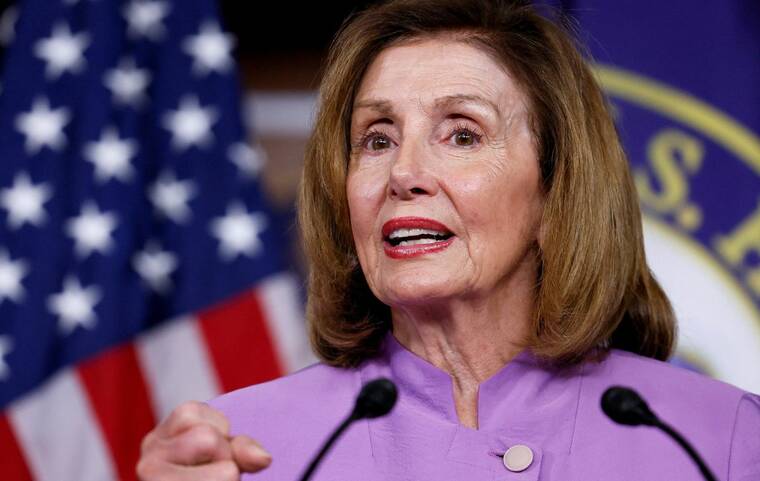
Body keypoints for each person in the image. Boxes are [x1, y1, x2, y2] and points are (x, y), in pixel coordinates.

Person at [137, 1, 760, 480]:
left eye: (462, 135)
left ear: (556, 190)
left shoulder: (716, 437)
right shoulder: (247, 447)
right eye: (376, 139)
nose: (403, 174)